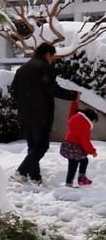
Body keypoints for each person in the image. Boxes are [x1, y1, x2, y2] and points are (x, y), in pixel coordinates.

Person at [10, 42, 79, 184]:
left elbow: (13, 91)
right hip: (40, 115)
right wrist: (73, 95)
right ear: (48, 54)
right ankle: (21, 171)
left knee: (33, 146)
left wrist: (25, 102)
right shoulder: (44, 68)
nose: (52, 59)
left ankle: (35, 177)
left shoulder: (22, 69)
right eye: (52, 56)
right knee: (41, 146)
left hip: (24, 114)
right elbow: (53, 89)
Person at [60, 97, 98, 187]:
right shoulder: (84, 125)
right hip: (75, 147)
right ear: (90, 118)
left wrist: (75, 101)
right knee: (73, 165)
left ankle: (81, 178)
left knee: (84, 160)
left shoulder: (75, 117)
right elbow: (85, 141)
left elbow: (72, 111)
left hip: (67, 145)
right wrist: (92, 151)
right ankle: (69, 184)